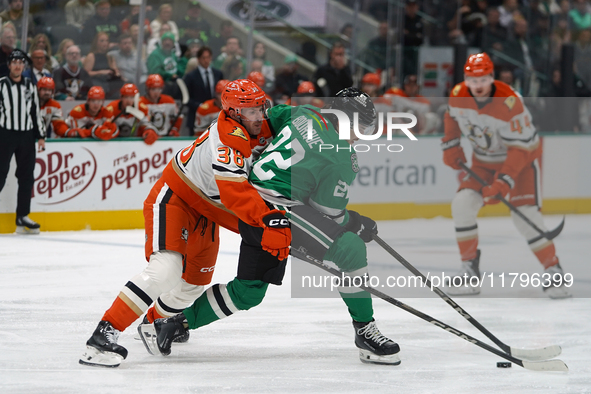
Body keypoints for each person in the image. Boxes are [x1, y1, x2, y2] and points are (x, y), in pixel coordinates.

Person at [140, 88, 401, 365]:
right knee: (351, 249)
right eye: (360, 126)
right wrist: (354, 223)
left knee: (249, 290)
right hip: (276, 214)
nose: (361, 134)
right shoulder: (341, 157)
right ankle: (365, 331)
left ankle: (173, 324)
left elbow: (268, 120)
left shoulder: (303, 113)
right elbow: (329, 213)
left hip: (250, 204)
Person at [80, 79, 281, 367]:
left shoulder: (254, 125)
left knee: (192, 285)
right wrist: (268, 220)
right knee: (166, 269)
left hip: (206, 210)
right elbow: (236, 195)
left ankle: (153, 322)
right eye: (251, 111)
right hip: (177, 198)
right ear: (235, 114)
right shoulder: (227, 140)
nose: (259, 116)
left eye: (261, 108)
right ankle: (103, 335)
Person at [441, 53, 571, 299]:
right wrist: (450, 144)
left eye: (482, 79)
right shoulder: (458, 94)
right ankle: (469, 269)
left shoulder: (510, 102)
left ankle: (553, 268)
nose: (477, 85)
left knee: (526, 217)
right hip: (483, 163)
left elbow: (521, 149)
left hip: (520, 163)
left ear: (491, 77)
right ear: (466, 79)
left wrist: (504, 181)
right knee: (462, 204)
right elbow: (451, 116)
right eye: (472, 79)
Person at [0, 49, 46, 234]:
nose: (18, 65)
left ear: (24, 66)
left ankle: (23, 215)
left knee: (27, 176)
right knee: (0, 173)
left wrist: (41, 136)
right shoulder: (1, 85)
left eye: (21, 62)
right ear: (9, 65)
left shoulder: (30, 85)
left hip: (26, 135)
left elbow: (35, 112)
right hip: (5, 134)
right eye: (14, 62)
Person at [183, 46, 223, 134]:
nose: (206, 60)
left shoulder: (218, 74)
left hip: (215, 116)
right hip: (196, 116)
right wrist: (200, 106)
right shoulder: (190, 77)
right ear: (198, 59)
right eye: (203, 58)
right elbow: (185, 98)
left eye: (208, 57)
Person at [139, 74, 182, 139]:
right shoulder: (141, 102)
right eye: (153, 89)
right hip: (146, 138)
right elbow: (139, 122)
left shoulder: (169, 100)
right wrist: (146, 130)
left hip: (165, 138)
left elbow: (178, 117)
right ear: (147, 89)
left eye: (159, 89)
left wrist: (174, 129)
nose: (156, 92)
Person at [84, 32, 123, 98]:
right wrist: (100, 72)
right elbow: (85, 73)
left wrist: (117, 73)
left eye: (107, 40)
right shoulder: (91, 56)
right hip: (96, 80)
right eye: (102, 41)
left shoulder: (109, 57)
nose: (105, 43)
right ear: (96, 43)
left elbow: (115, 70)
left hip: (108, 81)